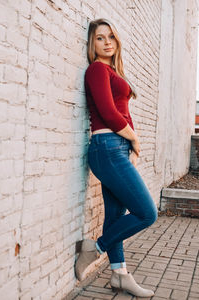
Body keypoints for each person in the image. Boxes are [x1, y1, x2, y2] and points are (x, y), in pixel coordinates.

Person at [75, 18, 158, 298]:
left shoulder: (113, 72)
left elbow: (124, 114)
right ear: (92, 43)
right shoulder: (97, 69)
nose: (107, 42)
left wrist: (132, 147)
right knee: (147, 213)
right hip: (106, 146)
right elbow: (109, 113)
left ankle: (120, 275)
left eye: (111, 36)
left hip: (116, 148)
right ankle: (95, 249)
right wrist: (133, 138)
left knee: (115, 216)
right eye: (100, 38)